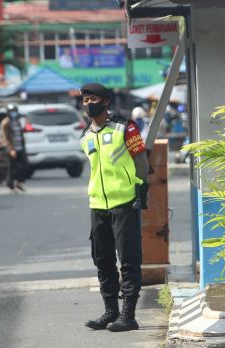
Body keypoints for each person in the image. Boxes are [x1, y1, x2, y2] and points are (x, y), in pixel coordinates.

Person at [80, 83, 149, 332]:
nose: (89, 103)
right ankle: (111, 311)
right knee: (103, 260)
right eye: (85, 100)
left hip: (124, 203)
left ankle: (128, 316)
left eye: (93, 99)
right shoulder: (85, 135)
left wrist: (142, 190)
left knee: (128, 260)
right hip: (97, 205)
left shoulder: (125, 127)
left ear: (106, 101)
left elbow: (141, 160)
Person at [0, 104, 28, 192]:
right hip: (12, 149)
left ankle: (19, 183)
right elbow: (5, 137)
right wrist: (11, 149)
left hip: (20, 147)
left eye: (14, 111)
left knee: (24, 165)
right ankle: (11, 186)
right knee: (12, 168)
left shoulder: (17, 121)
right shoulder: (5, 123)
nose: (13, 113)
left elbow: (21, 134)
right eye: (12, 112)